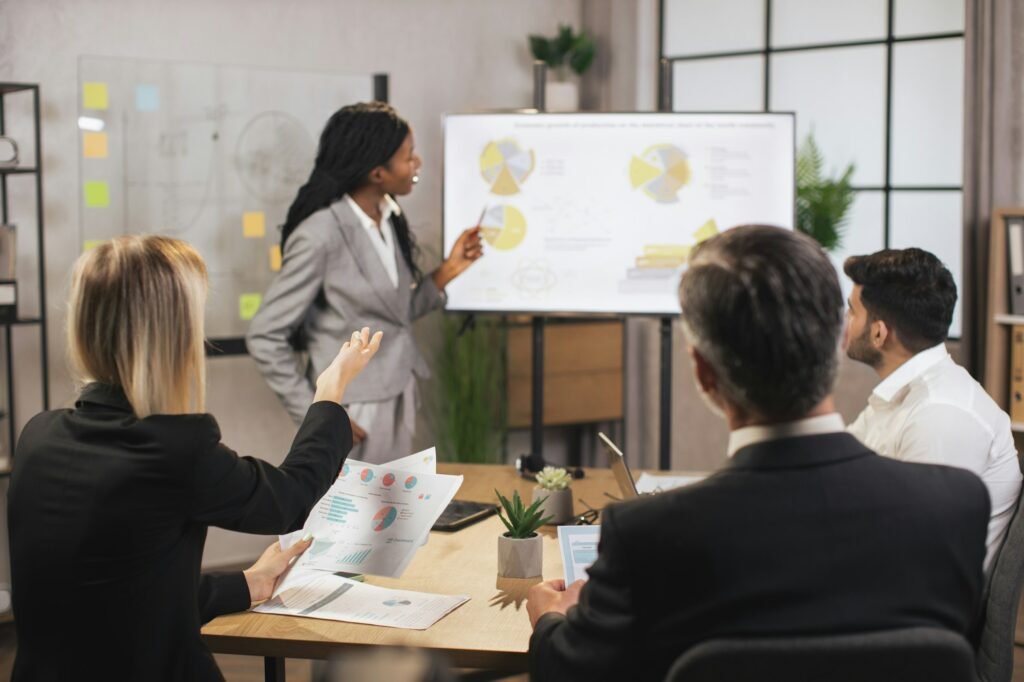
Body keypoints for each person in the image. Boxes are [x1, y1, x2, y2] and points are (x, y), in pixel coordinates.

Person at [525, 226, 990, 682]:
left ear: (704, 374)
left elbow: (569, 670)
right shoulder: (955, 504)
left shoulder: (646, 536)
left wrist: (550, 620)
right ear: (833, 346)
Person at [7, 235, 383, 682]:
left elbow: (115, 588)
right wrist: (329, 394)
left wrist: (246, 584)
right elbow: (290, 497)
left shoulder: (37, 437)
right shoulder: (174, 451)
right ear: (172, 337)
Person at [247, 101, 482, 464]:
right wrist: (318, 413)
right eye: (409, 156)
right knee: (348, 518)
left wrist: (449, 269)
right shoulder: (321, 234)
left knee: (391, 516)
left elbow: (392, 315)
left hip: (399, 390)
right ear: (377, 173)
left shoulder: (388, 218)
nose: (417, 163)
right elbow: (265, 334)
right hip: (353, 405)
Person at [844, 247, 1021, 572]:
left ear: (879, 332)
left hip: (916, 609)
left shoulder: (941, 414)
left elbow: (917, 555)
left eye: (852, 311)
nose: (845, 322)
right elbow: (840, 468)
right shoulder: (901, 394)